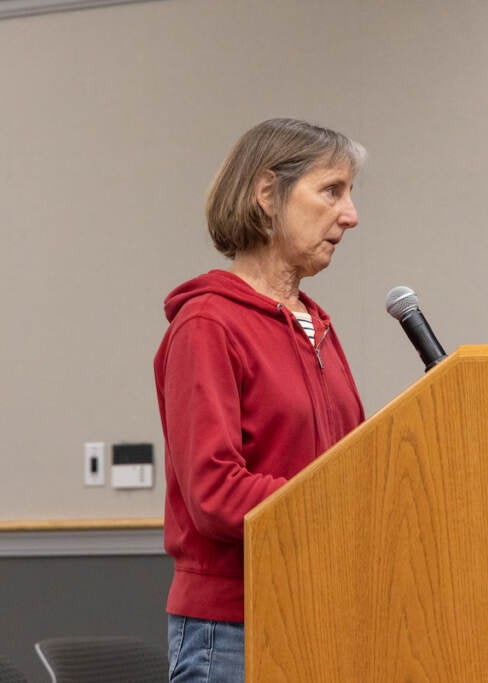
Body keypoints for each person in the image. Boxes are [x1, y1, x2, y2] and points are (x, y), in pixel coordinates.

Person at [154, 118, 367, 682]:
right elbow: (217, 493)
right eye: (332, 191)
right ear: (268, 192)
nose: (350, 215)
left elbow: (350, 462)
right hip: (231, 631)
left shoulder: (317, 326)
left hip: (320, 612)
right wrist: (342, 502)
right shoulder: (207, 324)